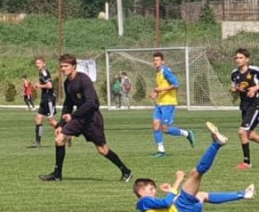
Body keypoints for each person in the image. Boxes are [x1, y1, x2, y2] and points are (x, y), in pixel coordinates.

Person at [39, 54, 132, 182]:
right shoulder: (67, 83)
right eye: (61, 66)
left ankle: (126, 171)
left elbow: (91, 103)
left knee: (102, 149)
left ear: (74, 66)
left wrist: (72, 115)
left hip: (92, 119)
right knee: (59, 139)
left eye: (66, 66)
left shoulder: (84, 80)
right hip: (78, 119)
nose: (63, 69)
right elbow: (68, 104)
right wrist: (61, 124)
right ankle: (57, 174)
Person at [134, 122, 253, 212]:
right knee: (196, 173)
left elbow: (165, 208)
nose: (154, 191)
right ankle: (217, 144)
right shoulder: (144, 201)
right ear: (141, 192)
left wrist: (172, 191)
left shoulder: (145, 205)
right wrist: (178, 180)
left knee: (200, 195)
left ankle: (243, 194)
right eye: (151, 189)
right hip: (181, 209)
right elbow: (166, 203)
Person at [149, 51, 195, 157]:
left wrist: (160, 89)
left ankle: (187, 133)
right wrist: (155, 93)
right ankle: (161, 151)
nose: (155, 62)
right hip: (159, 103)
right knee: (156, 126)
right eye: (154, 60)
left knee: (165, 129)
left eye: (158, 60)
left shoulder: (165, 71)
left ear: (162, 61)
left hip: (168, 103)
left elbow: (176, 84)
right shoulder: (158, 73)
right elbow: (161, 87)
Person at [230, 48, 259, 170]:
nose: (238, 60)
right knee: (251, 135)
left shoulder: (254, 71)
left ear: (247, 59)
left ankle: (247, 162)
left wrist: (255, 88)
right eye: (236, 58)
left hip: (256, 104)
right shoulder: (234, 74)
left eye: (241, 58)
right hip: (245, 106)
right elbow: (233, 88)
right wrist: (235, 89)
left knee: (242, 132)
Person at [28, 56, 58, 148]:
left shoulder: (44, 72)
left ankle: (67, 132)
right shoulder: (41, 72)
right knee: (38, 119)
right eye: (36, 63)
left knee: (51, 121)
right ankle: (38, 142)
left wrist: (39, 85)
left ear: (44, 64)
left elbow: (50, 85)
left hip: (49, 99)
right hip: (44, 99)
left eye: (39, 63)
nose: (37, 65)